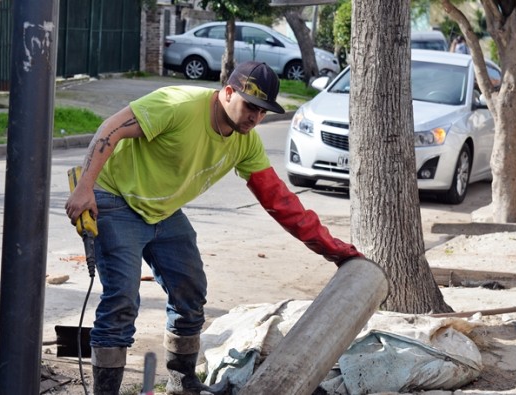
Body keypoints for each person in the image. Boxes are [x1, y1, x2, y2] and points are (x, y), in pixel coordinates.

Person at [64, 61, 363, 395]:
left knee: (190, 290)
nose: (256, 117)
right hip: (115, 199)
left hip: (163, 210)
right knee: (121, 299)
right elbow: (112, 127)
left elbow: (280, 202)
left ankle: (183, 383)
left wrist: (333, 249)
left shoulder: (245, 142)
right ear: (228, 93)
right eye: (251, 106)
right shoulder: (178, 106)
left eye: (263, 111)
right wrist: (85, 187)